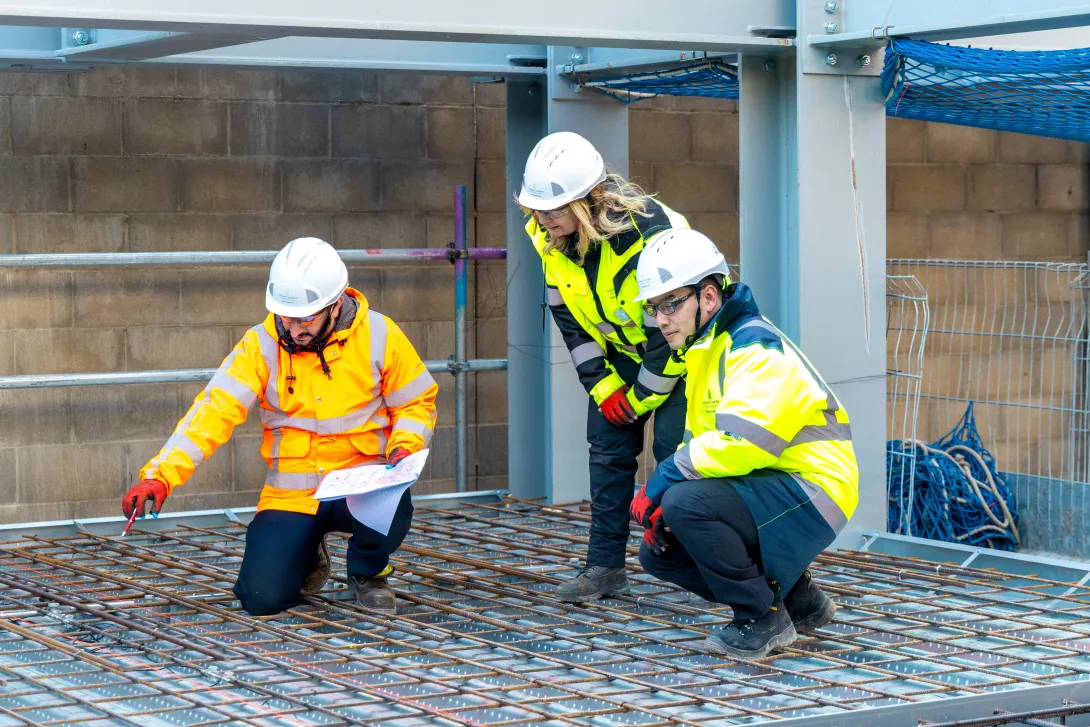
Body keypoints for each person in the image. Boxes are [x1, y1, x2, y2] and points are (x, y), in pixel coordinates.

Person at [121, 237, 437, 616]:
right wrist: (160, 475)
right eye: (287, 317)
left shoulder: (381, 335)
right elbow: (213, 411)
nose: (295, 328)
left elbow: (416, 403)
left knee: (395, 504)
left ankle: (368, 570)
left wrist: (404, 446)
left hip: (363, 483)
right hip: (295, 493)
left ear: (335, 305)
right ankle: (303, 552)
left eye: (307, 318)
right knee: (261, 599)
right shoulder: (260, 345)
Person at [628, 229, 858, 658]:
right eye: (654, 307)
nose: (660, 319)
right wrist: (667, 501)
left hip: (816, 489)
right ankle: (798, 598)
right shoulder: (706, 351)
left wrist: (664, 478)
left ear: (710, 298)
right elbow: (708, 447)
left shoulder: (754, 347)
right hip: (774, 486)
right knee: (658, 552)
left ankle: (763, 616)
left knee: (684, 504)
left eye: (671, 304)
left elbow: (741, 444)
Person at [518, 131, 690, 602]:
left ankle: (692, 564)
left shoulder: (648, 236)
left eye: (554, 210)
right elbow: (567, 312)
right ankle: (605, 567)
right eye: (536, 208)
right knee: (607, 451)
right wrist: (604, 386)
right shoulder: (547, 234)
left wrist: (637, 399)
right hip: (624, 350)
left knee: (677, 455)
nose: (543, 218)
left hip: (685, 348)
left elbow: (670, 330)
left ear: (589, 201)